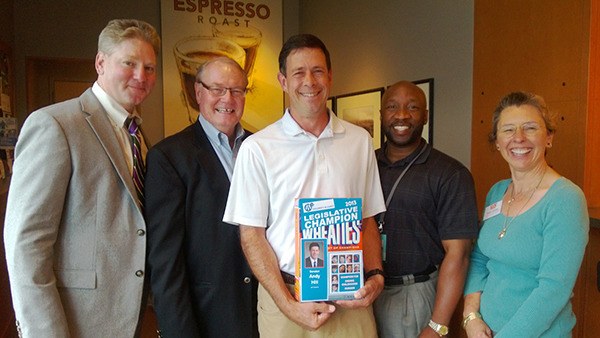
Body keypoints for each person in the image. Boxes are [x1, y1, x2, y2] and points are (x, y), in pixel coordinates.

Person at [3, 19, 159, 337]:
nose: (140, 76)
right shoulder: (55, 124)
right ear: (100, 63)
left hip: (128, 319)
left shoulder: (138, 134)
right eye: (129, 63)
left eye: (149, 68)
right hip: (75, 323)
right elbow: (26, 244)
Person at [223, 33, 386, 337]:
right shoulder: (258, 148)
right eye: (298, 72)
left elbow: (367, 220)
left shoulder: (359, 141)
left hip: (351, 296)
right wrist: (287, 304)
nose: (309, 81)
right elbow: (251, 235)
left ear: (330, 76)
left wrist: (375, 274)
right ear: (283, 81)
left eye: (318, 71)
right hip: (286, 298)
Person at [144, 56, 258, 338]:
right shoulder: (169, 157)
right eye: (217, 89)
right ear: (198, 92)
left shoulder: (261, 147)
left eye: (236, 90)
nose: (227, 99)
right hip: (206, 318)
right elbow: (166, 261)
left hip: (265, 314)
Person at [462, 91, 589, 337]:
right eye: (508, 130)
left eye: (530, 128)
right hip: (484, 330)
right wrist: (470, 317)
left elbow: (554, 289)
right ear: (497, 142)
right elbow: (479, 260)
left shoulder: (566, 199)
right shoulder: (497, 192)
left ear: (549, 137)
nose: (518, 138)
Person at [373, 81, 479, 338]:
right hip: (362, 292)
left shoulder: (450, 174)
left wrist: (437, 325)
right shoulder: (366, 164)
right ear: (382, 115)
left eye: (412, 107)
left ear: (426, 116)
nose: (401, 115)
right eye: (392, 107)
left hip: (412, 296)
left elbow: (459, 255)